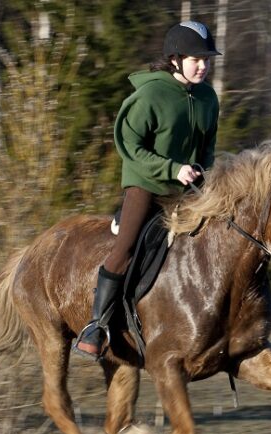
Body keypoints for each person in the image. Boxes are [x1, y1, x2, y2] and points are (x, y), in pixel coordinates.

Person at [73, 21, 221, 359]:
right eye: (196, 59)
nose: (203, 66)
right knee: (125, 249)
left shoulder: (208, 97)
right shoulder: (150, 95)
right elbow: (130, 146)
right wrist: (172, 169)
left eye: (207, 60)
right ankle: (97, 325)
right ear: (174, 59)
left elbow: (208, 147)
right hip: (146, 184)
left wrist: (203, 172)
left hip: (188, 188)